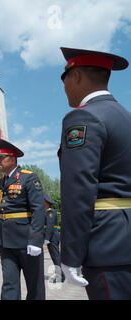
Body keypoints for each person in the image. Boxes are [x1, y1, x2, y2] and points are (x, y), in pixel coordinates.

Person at [58, 47, 131, 299]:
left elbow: (78, 191)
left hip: (105, 244)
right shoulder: (125, 117)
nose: (64, 87)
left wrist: (70, 256)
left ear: (76, 76)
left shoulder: (83, 117)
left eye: (64, 79)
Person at [0, 138, 46, 300]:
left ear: (13, 159)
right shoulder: (1, 182)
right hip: (6, 241)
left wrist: (35, 240)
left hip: (26, 240)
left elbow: (38, 209)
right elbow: (1, 211)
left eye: (2, 158)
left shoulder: (29, 178)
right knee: (9, 284)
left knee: (34, 285)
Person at [42, 192, 64, 283]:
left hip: (52, 237)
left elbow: (50, 226)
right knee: (55, 257)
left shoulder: (50, 212)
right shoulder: (47, 211)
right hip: (51, 237)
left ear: (46, 201)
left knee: (56, 257)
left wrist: (47, 238)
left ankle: (60, 276)